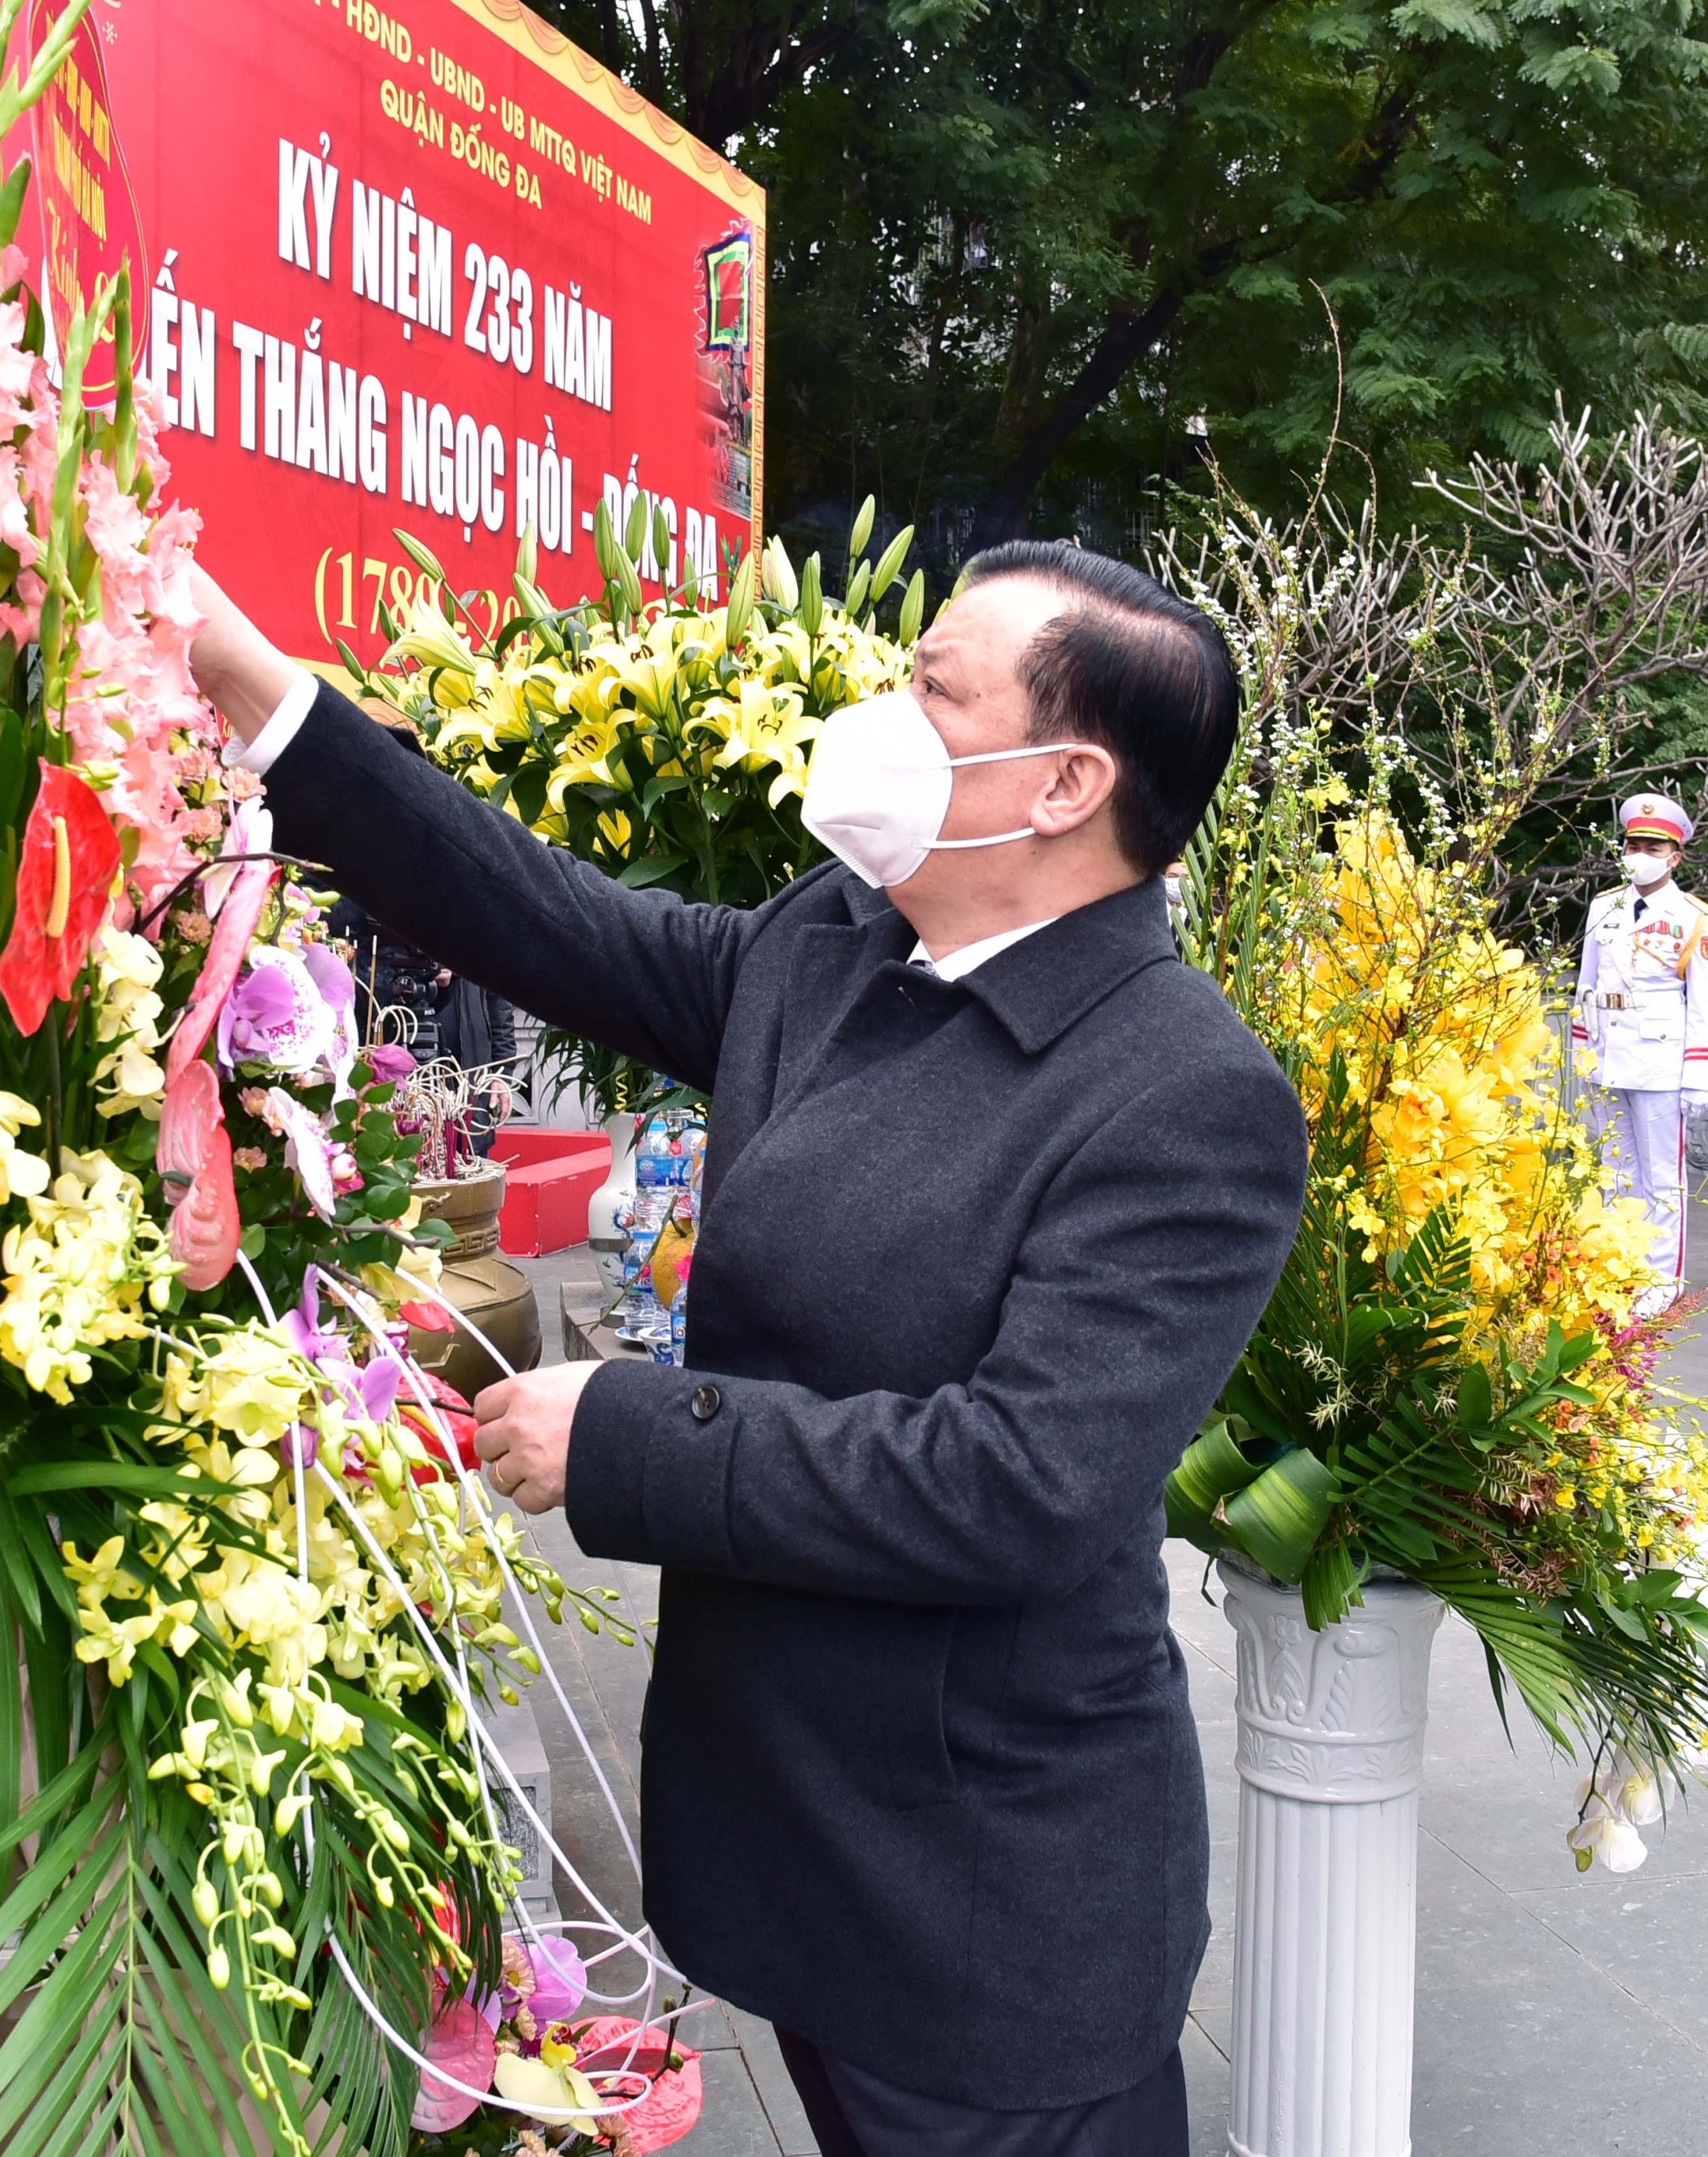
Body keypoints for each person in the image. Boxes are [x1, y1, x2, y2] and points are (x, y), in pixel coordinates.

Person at [186, 542, 1307, 2153]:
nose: (879, 715)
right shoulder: (835, 947)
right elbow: (541, 910)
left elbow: (1023, 1481)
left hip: (979, 1902)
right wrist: (242, 673)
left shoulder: (1176, 1093)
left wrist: (632, 1434)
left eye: (932, 690)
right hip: (794, 1833)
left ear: (1064, 780)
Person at [1570, 795, 1708, 1298]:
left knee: (1663, 1180)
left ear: (1675, 856)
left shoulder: (1694, 916)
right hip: (1609, 1056)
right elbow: (1586, 986)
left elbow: (1704, 1004)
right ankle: (1621, 1271)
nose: (1639, 853)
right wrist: (1581, 1052)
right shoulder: (1603, 907)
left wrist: (1697, 1076)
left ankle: (1662, 1281)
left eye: (1652, 845)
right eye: (1633, 843)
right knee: (1615, 1174)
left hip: (1661, 1060)